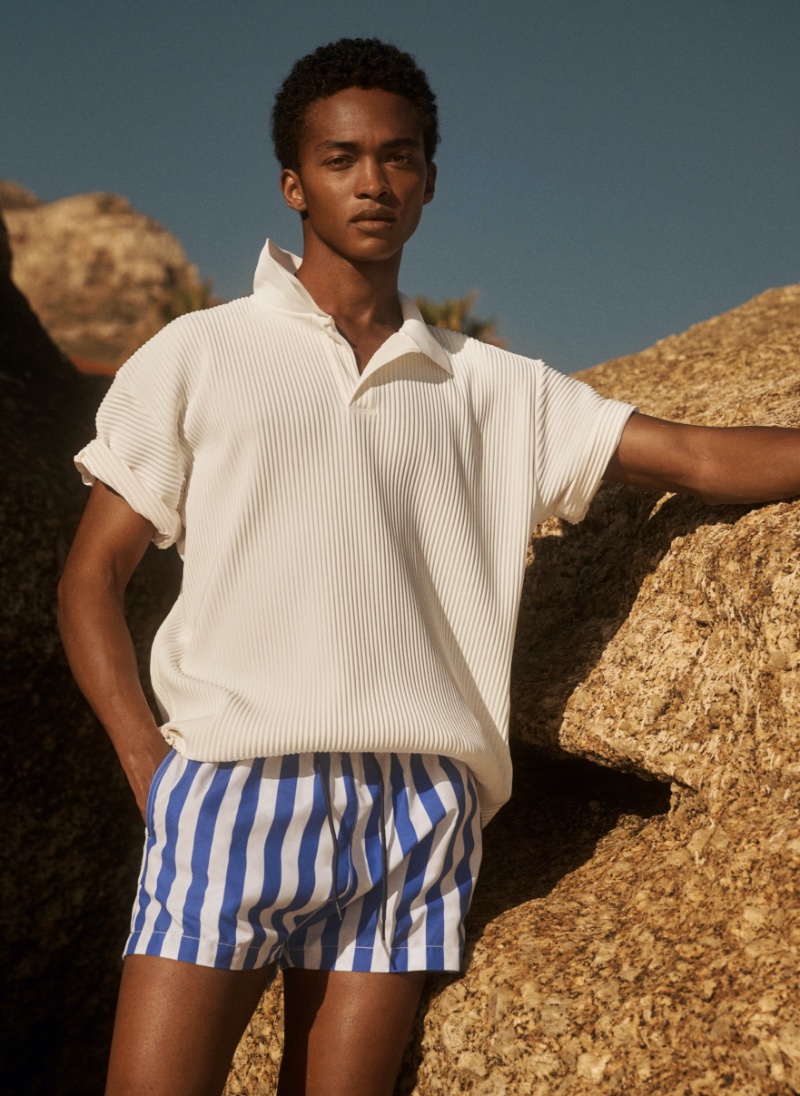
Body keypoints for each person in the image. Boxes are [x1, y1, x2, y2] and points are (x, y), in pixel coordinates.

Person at [58, 37, 800, 1096]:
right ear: (293, 183)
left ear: (428, 181)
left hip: (415, 811)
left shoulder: (497, 388)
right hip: (231, 787)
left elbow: (689, 453)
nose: (372, 181)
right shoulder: (198, 353)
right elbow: (91, 576)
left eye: (397, 158)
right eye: (341, 158)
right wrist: (150, 767)